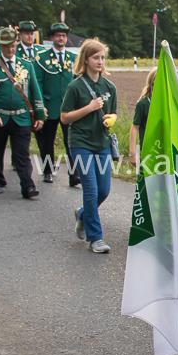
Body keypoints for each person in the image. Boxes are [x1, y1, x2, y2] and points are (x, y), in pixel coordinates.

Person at [61, 38, 117, 254]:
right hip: (81, 143)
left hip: (101, 143)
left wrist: (111, 119)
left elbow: (113, 113)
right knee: (91, 190)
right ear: (85, 59)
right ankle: (96, 238)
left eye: (103, 57)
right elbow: (65, 118)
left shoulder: (109, 86)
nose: (100, 61)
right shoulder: (75, 86)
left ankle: (83, 213)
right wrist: (89, 108)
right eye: (96, 57)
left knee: (104, 189)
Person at [0, 27, 45, 198]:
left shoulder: (26, 65)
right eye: (6, 46)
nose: (10, 50)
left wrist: (40, 115)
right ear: (0, 46)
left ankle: (28, 185)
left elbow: (35, 91)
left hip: (21, 117)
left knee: (22, 153)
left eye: (13, 46)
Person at [34, 22, 79, 186]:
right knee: (47, 141)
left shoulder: (73, 59)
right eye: (58, 35)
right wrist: (40, 106)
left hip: (68, 109)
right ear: (52, 37)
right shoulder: (41, 59)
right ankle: (47, 171)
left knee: (71, 141)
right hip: (49, 106)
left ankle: (74, 174)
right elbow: (37, 83)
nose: (61, 38)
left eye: (64, 36)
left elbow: (78, 83)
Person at [128, 68, 155, 166]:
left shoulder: (167, 104)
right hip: (147, 152)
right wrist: (132, 153)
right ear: (151, 84)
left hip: (165, 152)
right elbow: (135, 127)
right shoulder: (143, 104)